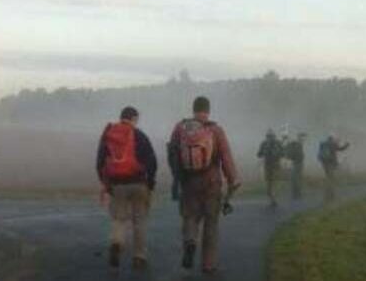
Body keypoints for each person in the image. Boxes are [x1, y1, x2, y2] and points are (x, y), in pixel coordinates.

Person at [169, 96, 240, 274]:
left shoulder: (180, 128)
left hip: (189, 183)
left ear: (193, 110)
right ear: (208, 111)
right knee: (211, 224)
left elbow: (172, 154)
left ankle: (191, 241)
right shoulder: (216, 130)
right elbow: (226, 157)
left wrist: (178, 177)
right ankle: (209, 264)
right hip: (212, 184)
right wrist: (233, 180)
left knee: (190, 218)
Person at [96, 106, 157, 270]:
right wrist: (150, 183)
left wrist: (106, 184)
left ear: (121, 117)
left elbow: (100, 162)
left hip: (117, 185)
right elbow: (152, 162)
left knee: (119, 219)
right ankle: (139, 257)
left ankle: (116, 242)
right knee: (139, 221)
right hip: (139, 184)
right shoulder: (140, 136)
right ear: (134, 119)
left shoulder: (109, 135)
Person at [318, 135, 350, 202]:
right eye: (334, 139)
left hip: (324, 163)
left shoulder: (323, 144)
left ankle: (328, 191)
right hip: (331, 163)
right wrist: (347, 144)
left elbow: (321, 154)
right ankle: (330, 193)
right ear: (332, 139)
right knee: (331, 177)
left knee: (328, 176)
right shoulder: (332, 144)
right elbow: (341, 149)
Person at [257, 129, 284, 207]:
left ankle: (273, 198)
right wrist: (264, 152)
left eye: (270, 136)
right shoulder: (265, 144)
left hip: (274, 166)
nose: (269, 138)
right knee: (270, 184)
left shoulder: (276, 143)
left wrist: (276, 153)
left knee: (273, 183)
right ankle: (272, 199)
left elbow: (283, 153)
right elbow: (259, 154)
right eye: (268, 136)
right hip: (269, 166)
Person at [285, 132, 307, 200]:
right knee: (297, 178)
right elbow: (301, 155)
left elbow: (289, 155)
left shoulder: (293, 145)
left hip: (294, 163)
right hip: (299, 163)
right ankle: (298, 193)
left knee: (294, 178)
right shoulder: (299, 145)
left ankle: (294, 193)